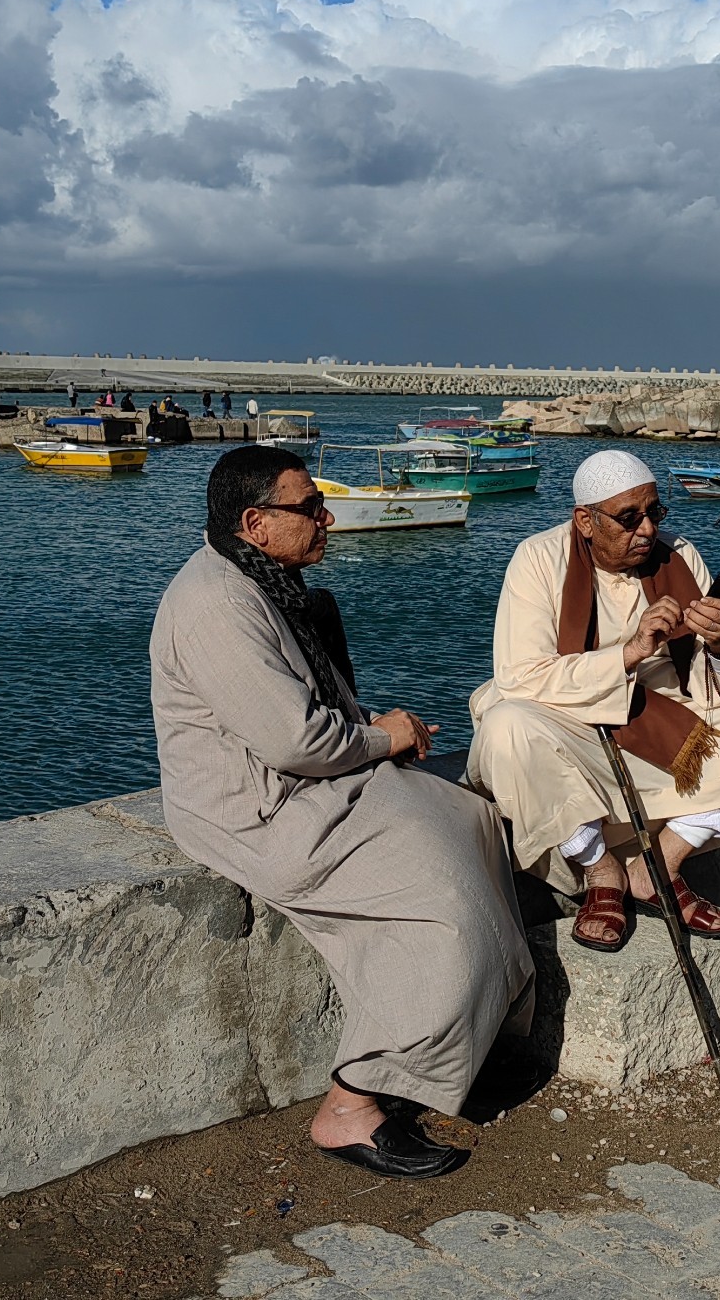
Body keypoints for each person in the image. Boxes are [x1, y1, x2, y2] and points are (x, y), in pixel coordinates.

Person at [150, 447, 533, 1178]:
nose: (326, 518)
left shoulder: (266, 581)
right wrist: (383, 735)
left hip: (316, 786)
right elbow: (292, 739)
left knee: (473, 821)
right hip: (261, 809)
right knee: (442, 904)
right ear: (256, 523)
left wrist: (376, 735)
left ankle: (472, 1039)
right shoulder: (215, 604)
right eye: (309, 508)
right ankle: (352, 1101)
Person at [467, 451, 720, 954]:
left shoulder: (679, 557)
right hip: (575, 739)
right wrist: (627, 655)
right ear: (585, 521)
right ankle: (601, 870)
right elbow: (522, 677)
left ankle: (656, 866)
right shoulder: (538, 559)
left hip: (668, 741)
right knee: (507, 726)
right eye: (629, 518)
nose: (648, 529)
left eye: (655, 513)